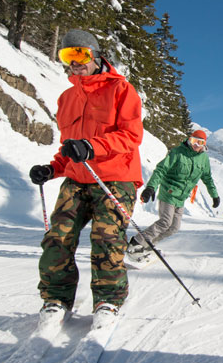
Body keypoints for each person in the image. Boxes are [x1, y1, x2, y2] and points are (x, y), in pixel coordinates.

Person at [28, 29, 144, 327]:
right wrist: (53, 169)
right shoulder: (67, 97)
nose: (75, 62)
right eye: (68, 56)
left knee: (105, 237)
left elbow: (132, 136)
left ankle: (109, 300)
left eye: (80, 54)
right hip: (78, 177)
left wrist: (93, 147)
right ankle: (55, 299)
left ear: (95, 55)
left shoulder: (121, 90)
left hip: (116, 178)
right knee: (58, 236)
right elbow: (70, 147)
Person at [127, 129, 219, 259]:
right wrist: (151, 187)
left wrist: (214, 195)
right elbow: (161, 170)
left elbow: (207, 178)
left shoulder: (203, 159)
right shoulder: (177, 153)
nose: (195, 145)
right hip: (168, 192)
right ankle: (136, 242)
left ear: (204, 145)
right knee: (165, 222)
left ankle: (148, 245)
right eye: (193, 141)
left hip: (181, 197)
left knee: (174, 227)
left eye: (199, 143)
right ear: (189, 140)